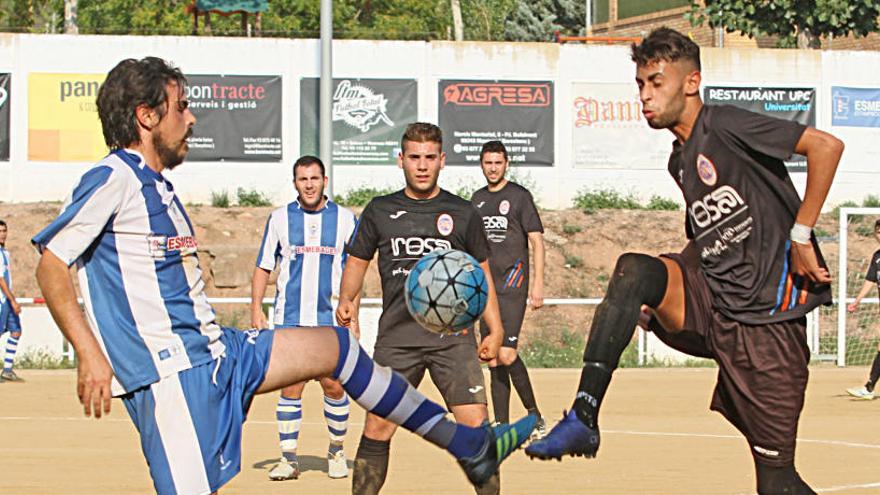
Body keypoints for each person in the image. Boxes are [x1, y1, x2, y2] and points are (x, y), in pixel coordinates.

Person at [31, 57, 534, 495]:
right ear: (146, 116)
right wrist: (90, 356)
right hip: (172, 377)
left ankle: (468, 444)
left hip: (218, 353)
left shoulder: (156, 186)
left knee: (336, 347)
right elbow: (52, 264)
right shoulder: (114, 177)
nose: (191, 116)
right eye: (181, 106)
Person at [526, 28, 844, 495]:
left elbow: (826, 147)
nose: (645, 96)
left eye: (656, 82)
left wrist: (801, 234)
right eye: (640, 85)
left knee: (777, 484)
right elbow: (704, 240)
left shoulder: (727, 125)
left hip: (767, 326)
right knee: (634, 271)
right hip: (713, 300)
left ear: (691, 82)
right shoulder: (679, 160)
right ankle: (584, 416)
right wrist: (645, 299)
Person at [336, 122, 527, 495]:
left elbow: (481, 274)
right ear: (401, 160)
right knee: (377, 426)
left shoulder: (462, 212)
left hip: (453, 341)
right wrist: (347, 302)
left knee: (476, 429)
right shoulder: (380, 210)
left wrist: (495, 328)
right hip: (397, 340)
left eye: (428, 158)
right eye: (413, 158)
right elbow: (356, 263)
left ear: (442, 160)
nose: (421, 166)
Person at [251, 155, 358, 480]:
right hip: (290, 319)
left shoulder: (344, 218)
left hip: (330, 320)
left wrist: (352, 312)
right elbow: (263, 266)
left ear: (325, 181)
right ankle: (289, 459)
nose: (309, 184)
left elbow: (355, 268)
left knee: (333, 385)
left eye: (314, 178)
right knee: (291, 386)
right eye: (302, 179)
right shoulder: (280, 218)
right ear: (295, 183)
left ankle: (336, 451)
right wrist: (257, 307)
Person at [471, 141, 545, 435]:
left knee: (507, 354)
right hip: (486, 289)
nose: (493, 168)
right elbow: (471, 247)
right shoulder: (476, 200)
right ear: (481, 164)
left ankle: (534, 417)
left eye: (497, 162)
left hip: (513, 284)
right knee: (492, 356)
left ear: (506, 164)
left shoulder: (519, 197)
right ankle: (501, 425)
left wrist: (537, 283)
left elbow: (537, 240)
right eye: (488, 163)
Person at [846, 219, 880, 400]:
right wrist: (857, 300)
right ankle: (868, 388)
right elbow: (870, 280)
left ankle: (869, 388)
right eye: (878, 231)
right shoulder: (877, 257)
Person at [0, 220, 23, 382]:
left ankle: (7, 369)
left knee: (16, 331)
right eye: (0, 231)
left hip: (7, 300)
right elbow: (0, 279)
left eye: (4, 230)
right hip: (2, 300)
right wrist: (12, 300)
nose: (3, 234)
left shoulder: (5, 252)